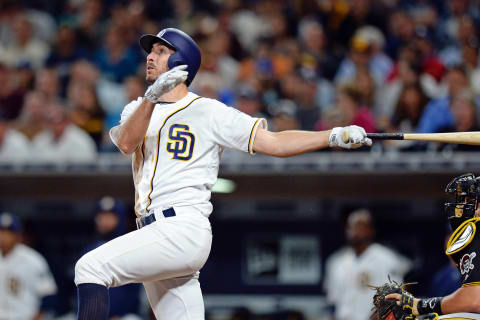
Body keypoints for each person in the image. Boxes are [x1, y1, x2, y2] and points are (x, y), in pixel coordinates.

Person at [74, 27, 372, 320]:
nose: (150, 56)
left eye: (161, 51)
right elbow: (126, 142)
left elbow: (274, 142)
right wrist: (152, 97)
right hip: (154, 233)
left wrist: (331, 136)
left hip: (182, 227)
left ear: (181, 63)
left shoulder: (209, 111)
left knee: (90, 268)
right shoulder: (138, 108)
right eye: (151, 50)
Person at [387, 173, 480, 316]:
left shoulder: (477, 230)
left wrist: (420, 305)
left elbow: (474, 300)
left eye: (470, 201)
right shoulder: (442, 276)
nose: (462, 208)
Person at [324, 209, 411, 320]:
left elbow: (395, 296)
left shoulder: (385, 258)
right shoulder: (336, 262)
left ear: (371, 230)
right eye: (351, 227)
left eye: (360, 226)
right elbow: (333, 302)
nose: (355, 231)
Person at [82, 197, 142, 319]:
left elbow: (135, 290)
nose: (104, 221)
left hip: (124, 315)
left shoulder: (130, 247)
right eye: (101, 216)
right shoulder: (89, 250)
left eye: (109, 216)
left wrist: (118, 315)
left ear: (120, 219)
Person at [0, 212, 57, 319]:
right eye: (1, 232)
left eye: (8, 232)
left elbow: (48, 296)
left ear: (18, 235)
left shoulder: (33, 259)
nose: (3, 236)